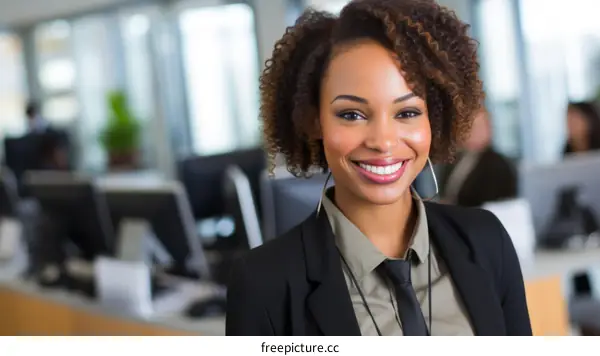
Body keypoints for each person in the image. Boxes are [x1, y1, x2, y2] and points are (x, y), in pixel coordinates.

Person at [226, 0, 532, 336]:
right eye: (352, 114)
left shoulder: (487, 241)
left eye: (407, 113)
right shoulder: (263, 284)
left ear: (434, 117)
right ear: (315, 121)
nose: (383, 142)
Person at [439, 107, 518, 207]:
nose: (472, 131)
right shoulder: (454, 159)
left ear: (489, 129)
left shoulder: (498, 164)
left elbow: (491, 205)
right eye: (467, 127)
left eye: (478, 126)